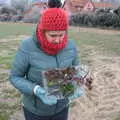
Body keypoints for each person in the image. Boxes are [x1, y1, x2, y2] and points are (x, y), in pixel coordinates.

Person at [9, 7, 83, 120]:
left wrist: (77, 83)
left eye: (61, 35)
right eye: (53, 35)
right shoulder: (28, 46)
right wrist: (36, 90)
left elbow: (76, 71)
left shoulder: (70, 46)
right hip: (36, 112)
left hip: (62, 108)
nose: (58, 40)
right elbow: (14, 77)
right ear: (42, 31)